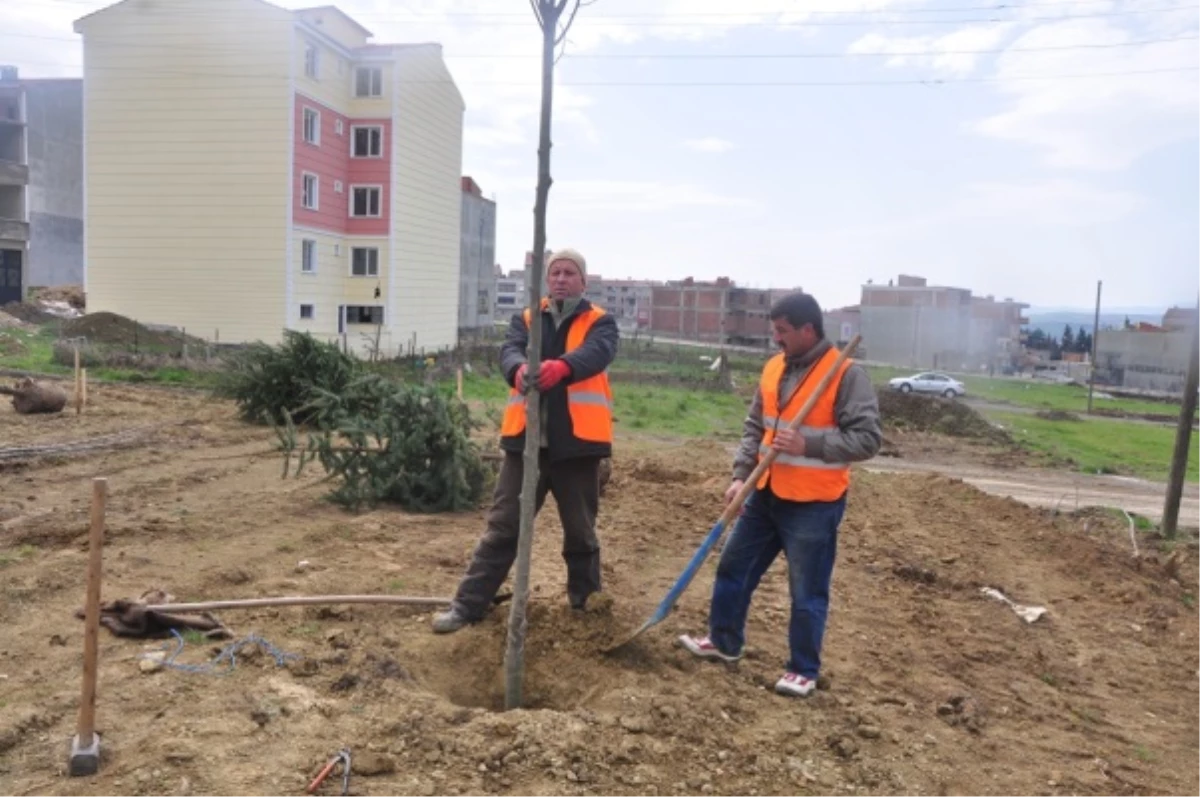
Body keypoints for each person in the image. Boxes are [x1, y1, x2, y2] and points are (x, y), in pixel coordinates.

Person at [678, 292, 881, 697]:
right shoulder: (773, 369)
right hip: (764, 491)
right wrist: (740, 476)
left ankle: (803, 669)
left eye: (783, 331)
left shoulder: (846, 374)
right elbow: (756, 426)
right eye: (774, 331)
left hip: (813, 503)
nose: (777, 340)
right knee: (734, 566)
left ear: (808, 330)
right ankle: (724, 641)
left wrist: (811, 445)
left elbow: (868, 439)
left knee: (806, 588)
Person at [432, 248, 619, 633]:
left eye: (570, 273)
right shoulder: (527, 318)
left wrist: (563, 367)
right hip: (525, 447)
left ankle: (586, 611)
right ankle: (468, 606)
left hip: (578, 449)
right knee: (503, 529)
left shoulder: (601, 322)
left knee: (581, 534)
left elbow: (596, 354)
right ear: (547, 280)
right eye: (555, 273)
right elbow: (509, 350)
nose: (561, 279)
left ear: (583, 281)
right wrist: (516, 370)